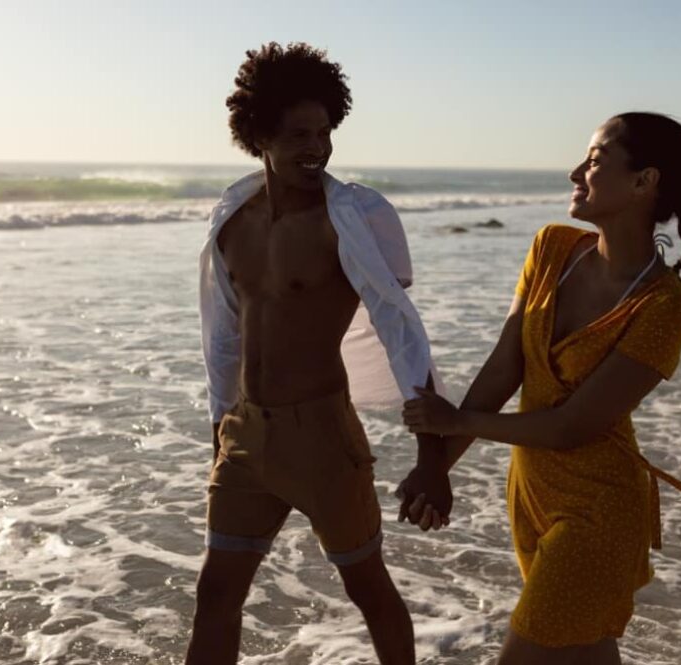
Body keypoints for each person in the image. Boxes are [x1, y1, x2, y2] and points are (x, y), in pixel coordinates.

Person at [398, 112, 681, 665]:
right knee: (587, 652)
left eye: (594, 161)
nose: (576, 171)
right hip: (531, 496)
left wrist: (453, 423)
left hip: (600, 511)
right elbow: (503, 369)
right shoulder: (551, 249)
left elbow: (575, 426)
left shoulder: (665, 306)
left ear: (646, 181)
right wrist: (436, 468)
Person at [187, 42, 449, 665]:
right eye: (299, 133)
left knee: (368, 589)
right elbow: (223, 333)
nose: (318, 147)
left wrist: (432, 456)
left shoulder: (353, 217)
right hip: (248, 436)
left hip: (324, 438)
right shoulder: (233, 218)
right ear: (259, 134)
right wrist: (218, 426)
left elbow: (400, 327)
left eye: (326, 131)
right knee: (215, 594)